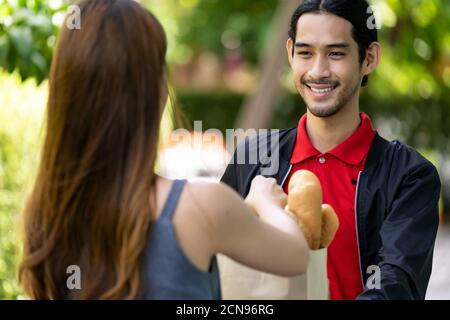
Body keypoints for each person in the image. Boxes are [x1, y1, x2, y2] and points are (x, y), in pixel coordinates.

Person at [18, 0, 310, 300]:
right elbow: (295, 255)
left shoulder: (43, 214)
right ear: (154, 93)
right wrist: (267, 202)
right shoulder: (199, 205)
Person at [221, 0, 441, 300]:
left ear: (369, 58)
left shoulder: (409, 176)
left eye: (336, 53)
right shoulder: (253, 158)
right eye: (305, 53)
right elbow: (212, 259)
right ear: (290, 53)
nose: (318, 70)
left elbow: (396, 285)